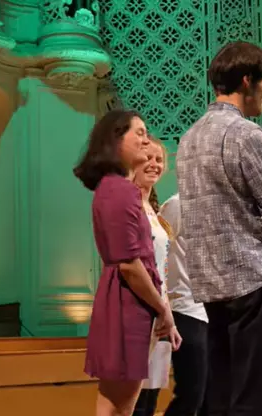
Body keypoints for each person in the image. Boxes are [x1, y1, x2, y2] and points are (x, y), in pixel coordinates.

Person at [176, 41, 262, 416]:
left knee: (222, 396)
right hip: (253, 280)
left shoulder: (188, 139)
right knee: (257, 398)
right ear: (247, 80)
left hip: (211, 287)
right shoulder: (246, 134)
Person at [73, 110, 175, 416]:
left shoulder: (114, 188)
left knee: (115, 405)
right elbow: (130, 264)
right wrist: (163, 309)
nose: (146, 140)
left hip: (125, 300)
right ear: (116, 140)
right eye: (139, 133)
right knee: (120, 406)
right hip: (129, 304)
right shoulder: (121, 190)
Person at [133, 138, 184, 416]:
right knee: (133, 402)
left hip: (160, 316)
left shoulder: (153, 209)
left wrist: (169, 318)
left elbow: (161, 269)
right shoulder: (130, 207)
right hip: (138, 312)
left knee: (149, 401)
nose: (154, 164)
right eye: (147, 158)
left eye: (159, 159)